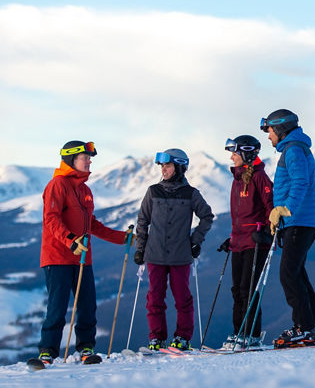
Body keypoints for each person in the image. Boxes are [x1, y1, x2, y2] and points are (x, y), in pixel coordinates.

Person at [38, 140, 131, 365]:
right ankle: (47, 352)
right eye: (85, 158)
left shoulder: (85, 189)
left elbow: (92, 224)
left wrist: (121, 238)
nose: (90, 162)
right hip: (58, 256)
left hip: (82, 257)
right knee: (57, 306)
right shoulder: (57, 185)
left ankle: (86, 348)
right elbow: (51, 219)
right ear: (71, 160)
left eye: (89, 158)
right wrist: (70, 241)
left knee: (87, 305)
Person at [260, 109, 315, 347]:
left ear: (280, 129)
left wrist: (286, 209)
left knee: (289, 274)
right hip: (299, 221)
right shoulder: (295, 148)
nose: (269, 136)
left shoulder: (293, 149)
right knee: (298, 274)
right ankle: (314, 327)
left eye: (270, 130)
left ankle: (304, 328)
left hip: (300, 220)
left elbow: (301, 181)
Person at [134, 148, 214, 351]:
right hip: (155, 255)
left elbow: (207, 216)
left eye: (167, 166)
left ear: (179, 168)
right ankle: (156, 338)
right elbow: (142, 221)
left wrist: (195, 241)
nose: (163, 170)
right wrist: (140, 249)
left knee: (182, 299)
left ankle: (182, 338)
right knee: (154, 299)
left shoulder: (191, 194)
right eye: (162, 166)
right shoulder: (153, 191)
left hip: (180, 255)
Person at [220, 135, 274, 349]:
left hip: (256, 241)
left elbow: (272, 207)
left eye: (235, 152)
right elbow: (239, 216)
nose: (231, 157)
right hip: (238, 241)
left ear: (246, 153)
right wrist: (231, 238)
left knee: (248, 289)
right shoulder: (237, 179)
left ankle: (250, 333)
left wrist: (269, 234)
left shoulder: (260, 177)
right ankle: (238, 332)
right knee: (236, 289)